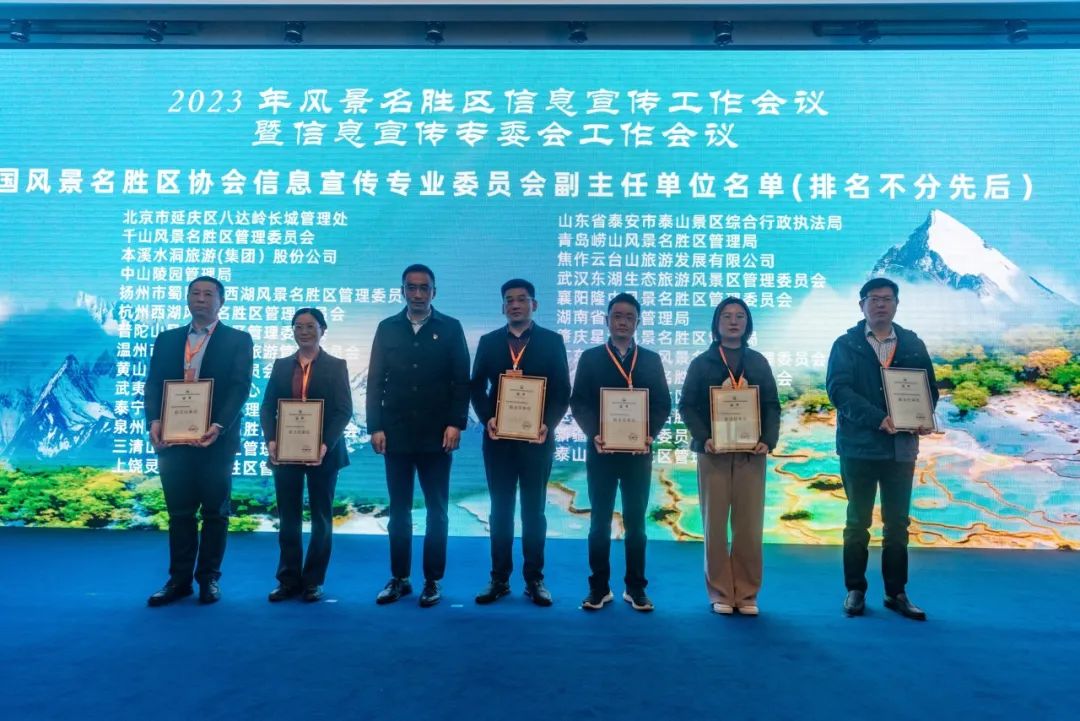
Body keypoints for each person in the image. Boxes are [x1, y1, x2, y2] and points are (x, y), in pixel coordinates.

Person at [826, 277, 938, 621]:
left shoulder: (912, 343)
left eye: (887, 299)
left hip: (900, 449)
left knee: (897, 525)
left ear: (896, 305)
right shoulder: (846, 344)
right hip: (858, 448)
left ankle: (896, 592)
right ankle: (855, 589)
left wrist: (922, 417)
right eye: (873, 298)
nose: (880, 304)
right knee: (857, 522)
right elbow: (839, 391)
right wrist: (879, 419)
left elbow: (929, 388)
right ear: (861, 304)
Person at [144, 276, 254, 606]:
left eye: (208, 294)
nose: (201, 299)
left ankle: (209, 579)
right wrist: (154, 421)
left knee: (215, 513)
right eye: (195, 293)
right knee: (179, 513)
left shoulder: (238, 340)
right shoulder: (167, 339)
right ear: (187, 299)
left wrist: (218, 425)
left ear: (221, 301)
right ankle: (178, 581)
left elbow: (240, 386)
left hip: (215, 441)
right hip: (173, 440)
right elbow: (153, 384)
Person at [367, 264, 470, 607]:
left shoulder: (451, 328)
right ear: (402, 292)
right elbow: (375, 381)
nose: (417, 294)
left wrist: (456, 423)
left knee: (437, 511)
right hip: (395, 434)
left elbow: (461, 380)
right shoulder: (387, 328)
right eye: (411, 288)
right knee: (399, 511)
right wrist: (375, 426)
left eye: (424, 288)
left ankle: (432, 580)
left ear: (434, 292)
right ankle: (399, 578)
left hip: (437, 436)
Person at [470, 279, 571, 606]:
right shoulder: (489, 342)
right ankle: (499, 579)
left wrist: (547, 424)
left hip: (536, 440)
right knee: (500, 511)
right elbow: (476, 387)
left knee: (534, 511)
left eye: (522, 299)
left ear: (534, 305)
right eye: (509, 300)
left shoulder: (552, 342)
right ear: (503, 307)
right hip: (498, 440)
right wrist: (488, 418)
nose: (515, 305)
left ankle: (534, 579)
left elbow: (562, 391)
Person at [569, 293, 671, 612]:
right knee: (599, 523)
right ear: (607, 320)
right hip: (601, 452)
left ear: (638, 322)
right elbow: (579, 402)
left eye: (629, 317)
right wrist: (595, 433)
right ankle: (598, 588)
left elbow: (662, 403)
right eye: (617, 316)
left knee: (636, 524)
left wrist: (649, 434)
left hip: (638, 454)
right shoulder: (591, 358)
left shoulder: (651, 359)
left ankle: (636, 588)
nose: (623, 322)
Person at [679, 297, 780, 616]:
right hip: (714, 454)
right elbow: (687, 406)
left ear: (748, 323)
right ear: (716, 323)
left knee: (749, 526)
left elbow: (772, 405)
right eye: (726, 316)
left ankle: (747, 594)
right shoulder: (702, 363)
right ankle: (721, 591)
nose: (733, 321)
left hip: (751, 454)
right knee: (715, 525)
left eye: (739, 316)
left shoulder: (758, 362)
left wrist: (768, 440)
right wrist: (704, 437)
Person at [260, 308, 353, 603]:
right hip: (285, 452)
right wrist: (271, 440)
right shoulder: (281, 366)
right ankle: (288, 579)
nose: (304, 332)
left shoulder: (336, 366)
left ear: (323, 329)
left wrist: (324, 444)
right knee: (288, 518)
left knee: (321, 518)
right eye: (298, 326)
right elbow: (267, 407)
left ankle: (313, 580)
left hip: (324, 453)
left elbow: (343, 410)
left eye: (310, 326)